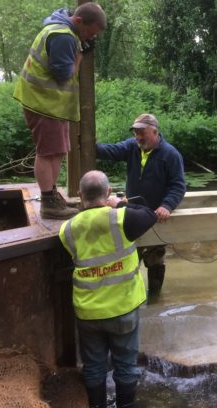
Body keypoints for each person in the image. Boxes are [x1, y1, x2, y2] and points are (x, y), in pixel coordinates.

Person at [59, 170, 157, 408]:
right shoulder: (122, 218)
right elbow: (149, 214)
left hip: (88, 312)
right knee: (125, 365)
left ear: (80, 196)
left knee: (93, 366)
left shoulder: (67, 229)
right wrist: (120, 203)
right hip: (123, 308)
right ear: (108, 193)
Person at [14, 2, 107, 219]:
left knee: (57, 151)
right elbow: (64, 74)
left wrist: (81, 43)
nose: (90, 38)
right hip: (43, 103)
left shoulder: (65, 31)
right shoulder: (63, 37)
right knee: (47, 153)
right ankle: (48, 203)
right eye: (89, 33)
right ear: (78, 21)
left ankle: (52, 196)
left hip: (51, 105)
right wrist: (79, 56)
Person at [96, 113, 186, 302]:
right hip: (132, 213)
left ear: (155, 131)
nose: (138, 137)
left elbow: (178, 186)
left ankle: (154, 300)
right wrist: (92, 146)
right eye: (136, 132)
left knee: (156, 260)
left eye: (142, 133)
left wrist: (167, 205)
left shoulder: (170, 155)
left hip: (155, 215)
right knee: (128, 258)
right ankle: (127, 299)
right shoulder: (132, 146)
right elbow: (111, 151)